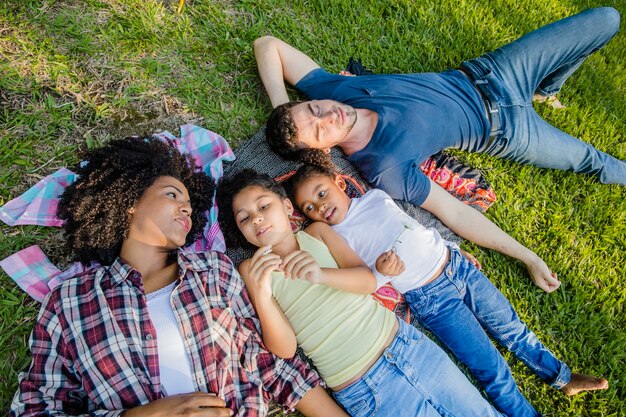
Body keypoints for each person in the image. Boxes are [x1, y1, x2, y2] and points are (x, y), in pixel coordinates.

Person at [253, 7, 624, 293]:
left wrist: (283, 109)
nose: (329, 116)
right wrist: (527, 256)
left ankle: (546, 88)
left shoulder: (334, 93)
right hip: (506, 131)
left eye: (314, 109)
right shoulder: (385, 166)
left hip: (494, 71)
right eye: (320, 130)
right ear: (325, 150)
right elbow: (455, 213)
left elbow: (267, 45)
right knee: (595, 162)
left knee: (607, 19)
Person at [9, 138, 348, 417]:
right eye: (173, 194)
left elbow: (269, 364)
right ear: (130, 201)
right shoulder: (71, 302)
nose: (187, 207)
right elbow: (34, 408)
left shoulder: (213, 270)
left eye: (188, 201)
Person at [286, 163, 609, 417]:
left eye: (321, 193)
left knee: (511, 325)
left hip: (457, 266)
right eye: (310, 207)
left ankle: (562, 377)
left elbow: (412, 225)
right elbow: (366, 278)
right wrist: (381, 272)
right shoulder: (335, 236)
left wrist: (449, 245)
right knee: (488, 364)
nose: (319, 207)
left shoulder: (375, 197)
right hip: (430, 297)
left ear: (340, 183)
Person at [216, 168, 506, 417]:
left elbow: (367, 281)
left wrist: (320, 275)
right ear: (241, 232)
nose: (256, 219)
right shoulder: (251, 271)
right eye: (244, 218)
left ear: (287, 207)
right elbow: (286, 349)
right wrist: (263, 296)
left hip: (405, 344)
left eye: (263, 206)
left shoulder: (316, 233)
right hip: (361, 385)